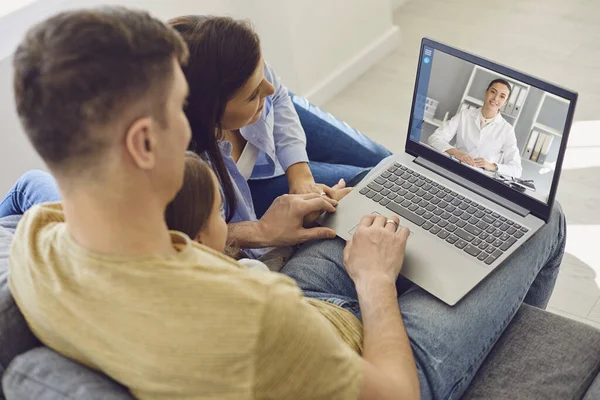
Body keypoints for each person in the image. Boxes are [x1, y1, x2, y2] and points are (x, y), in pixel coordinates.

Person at [7, 7, 566, 400]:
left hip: (297, 300)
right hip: (355, 348)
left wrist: (255, 234)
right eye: (180, 109)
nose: (192, 133)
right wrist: (374, 282)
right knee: (543, 221)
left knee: (384, 198)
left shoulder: (39, 239)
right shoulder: (253, 315)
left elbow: (32, 192)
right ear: (144, 143)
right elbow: (395, 392)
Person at [167, 15, 392, 256]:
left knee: (385, 160)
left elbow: (279, 97)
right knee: (370, 186)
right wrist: (262, 230)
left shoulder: (228, 55)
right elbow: (201, 237)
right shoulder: (191, 172)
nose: (269, 88)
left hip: (274, 127)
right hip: (250, 186)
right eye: (253, 94)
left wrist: (300, 176)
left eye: (263, 72)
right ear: (210, 113)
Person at [427, 79, 523, 178]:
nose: (495, 98)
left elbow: (516, 170)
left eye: (502, 96)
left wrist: (491, 165)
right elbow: (434, 138)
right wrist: (455, 152)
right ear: (486, 92)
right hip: (454, 170)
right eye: (493, 92)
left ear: (505, 102)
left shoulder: (507, 130)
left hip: (481, 179)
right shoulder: (465, 115)